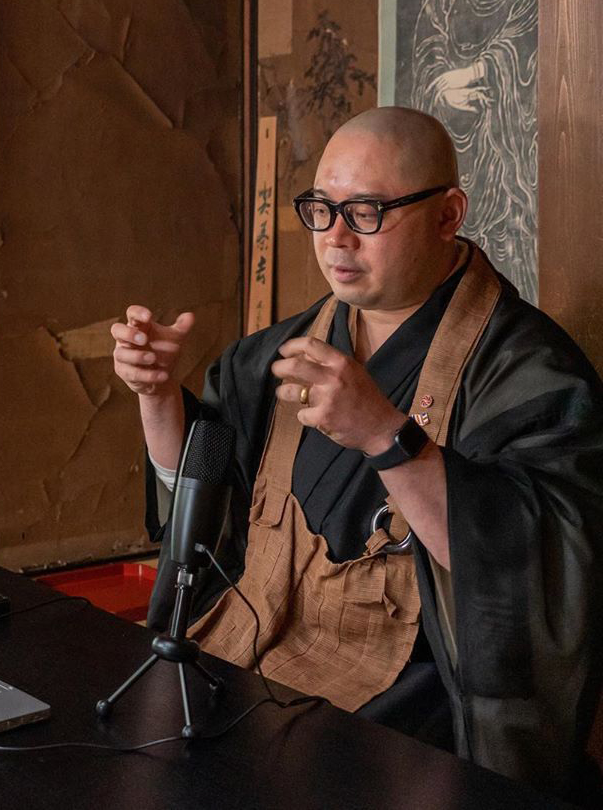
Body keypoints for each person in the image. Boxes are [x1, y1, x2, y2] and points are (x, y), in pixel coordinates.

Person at [111, 106, 603, 800]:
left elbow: (543, 575)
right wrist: (160, 396)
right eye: (321, 208)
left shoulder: (530, 375)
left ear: (446, 213)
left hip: (414, 698)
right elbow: (205, 501)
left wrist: (386, 437)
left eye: (367, 212)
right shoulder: (270, 358)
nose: (335, 237)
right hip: (251, 656)